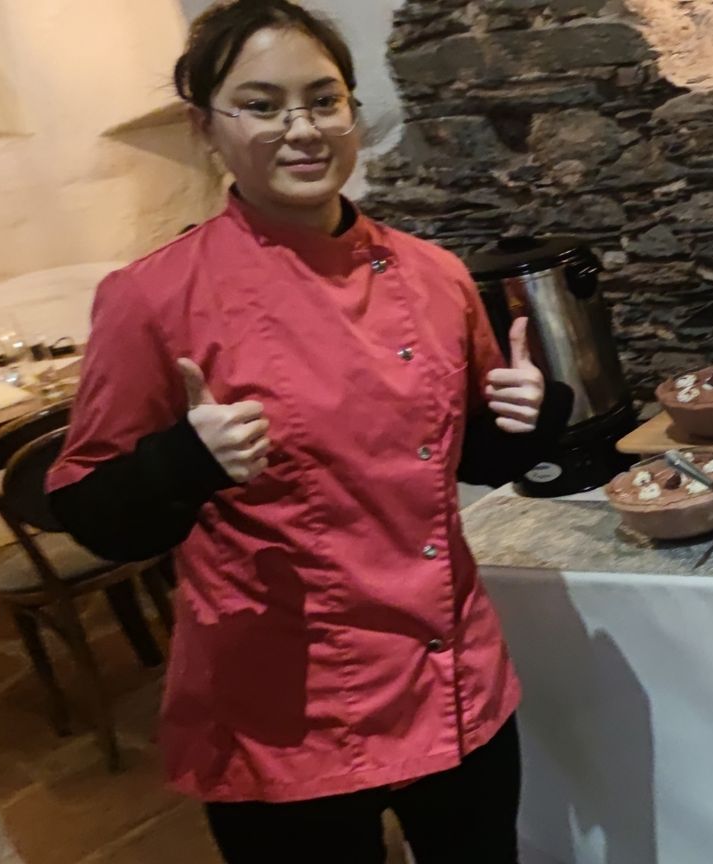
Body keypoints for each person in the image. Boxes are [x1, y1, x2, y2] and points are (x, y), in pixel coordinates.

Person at [43, 2, 571, 861]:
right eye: (261, 104)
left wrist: (528, 419)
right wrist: (184, 461)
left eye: (324, 100)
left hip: (451, 676)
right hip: (284, 713)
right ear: (205, 126)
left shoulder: (434, 275)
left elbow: (467, 454)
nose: (302, 129)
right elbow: (88, 509)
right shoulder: (153, 297)